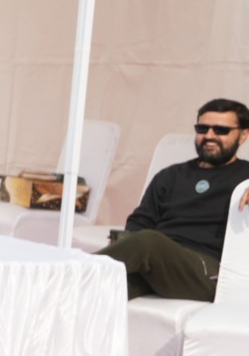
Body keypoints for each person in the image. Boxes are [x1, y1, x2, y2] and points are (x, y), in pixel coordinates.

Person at [104, 100, 247, 301]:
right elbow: (140, 221)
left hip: (209, 272)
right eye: (202, 128)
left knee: (148, 242)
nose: (209, 136)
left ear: (243, 135)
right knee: (103, 291)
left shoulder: (246, 177)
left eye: (221, 130)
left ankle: (71, 271)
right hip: (158, 264)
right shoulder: (171, 175)